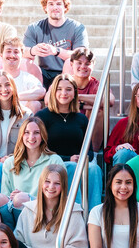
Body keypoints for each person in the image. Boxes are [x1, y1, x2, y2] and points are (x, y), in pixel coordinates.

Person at [35, 75, 103, 207]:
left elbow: (89, 151)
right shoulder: (42, 116)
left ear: (74, 93)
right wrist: (67, 158)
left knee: (94, 169)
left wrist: (82, 158)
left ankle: (94, 214)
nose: (63, 93)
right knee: (72, 167)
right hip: (51, 164)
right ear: (53, 92)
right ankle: (74, 212)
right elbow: (38, 149)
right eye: (59, 89)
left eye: (68, 89)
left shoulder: (81, 119)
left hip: (77, 164)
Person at [0, 117, 63, 227]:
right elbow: (5, 195)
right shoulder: (10, 162)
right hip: (16, 209)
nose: (31, 137)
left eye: (36, 133)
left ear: (42, 136)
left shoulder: (54, 160)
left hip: (43, 210)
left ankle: (24, 235)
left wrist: (25, 197)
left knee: (20, 199)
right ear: (21, 135)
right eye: (27, 133)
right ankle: (10, 234)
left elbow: (60, 194)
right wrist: (12, 197)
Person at [22, 0, 88, 87]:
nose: (55, 7)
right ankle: (34, 94)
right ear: (45, 7)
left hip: (68, 73)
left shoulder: (77, 27)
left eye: (58, 4)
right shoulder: (34, 28)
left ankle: (63, 91)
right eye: (51, 4)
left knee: (69, 62)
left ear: (65, 7)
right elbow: (22, 51)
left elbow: (81, 56)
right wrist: (33, 51)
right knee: (25, 61)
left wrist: (56, 51)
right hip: (44, 73)